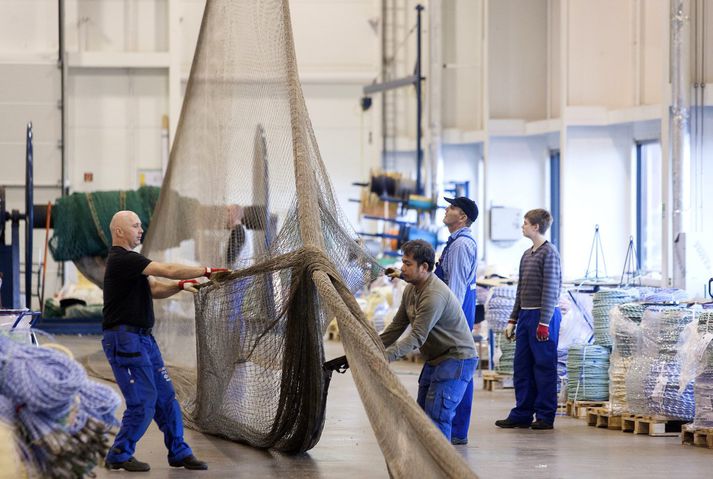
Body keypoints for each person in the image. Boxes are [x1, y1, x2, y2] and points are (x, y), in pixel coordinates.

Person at [102, 210, 226, 471]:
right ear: (119, 232)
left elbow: (156, 288)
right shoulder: (122, 259)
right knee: (143, 400)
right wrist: (206, 270)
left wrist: (181, 285)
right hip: (124, 340)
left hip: (144, 339)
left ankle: (179, 452)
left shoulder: (132, 265)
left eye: (140, 226)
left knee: (166, 397)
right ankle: (119, 454)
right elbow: (166, 269)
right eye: (135, 226)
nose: (140, 230)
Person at [379, 240, 478, 441]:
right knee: (423, 417)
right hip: (435, 359)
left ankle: (439, 469)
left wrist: (383, 357)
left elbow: (416, 337)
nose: (402, 268)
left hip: (456, 359)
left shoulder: (433, 295)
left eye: (408, 264)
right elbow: (397, 326)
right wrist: (372, 346)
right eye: (403, 262)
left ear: (424, 267)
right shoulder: (411, 289)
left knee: (437, 418)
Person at [495, 208, 562, 430]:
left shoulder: (549, 253)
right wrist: (513, 319)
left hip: (542, 316)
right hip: (525, 315)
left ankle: (545, 415)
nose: (522, 226)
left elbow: (551, 289)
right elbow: (521, 290)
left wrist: (544, 322)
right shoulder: (527, 255)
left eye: (525, 223)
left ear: (536, 227)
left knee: (543, 367)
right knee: (522, 366)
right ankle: (522, 413)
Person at [434, 196, 479, 445]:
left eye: (451, 207)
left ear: (462, 217)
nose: (446, 209)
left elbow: (456, 288)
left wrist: (450, 320)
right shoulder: (453, 242)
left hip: (458, 311)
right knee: (454, 366)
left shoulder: (461, 245)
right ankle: (454, 428)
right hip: (456, 310)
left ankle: (458, 430)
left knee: (460, 369)